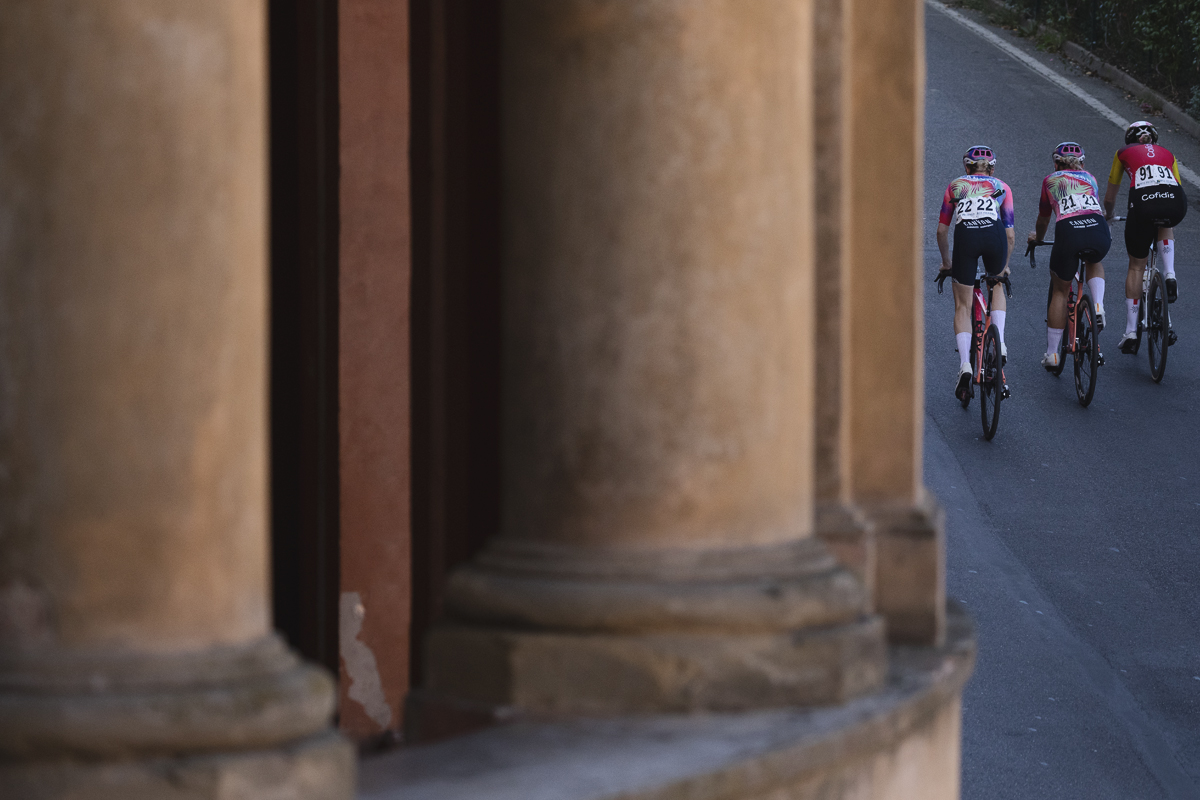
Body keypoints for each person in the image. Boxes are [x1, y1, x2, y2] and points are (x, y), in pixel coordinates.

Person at [936, 145, 1015, 400]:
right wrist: (1004, 266)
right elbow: (1010, 235)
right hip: (994, 237)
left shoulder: (955, 186)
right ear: (992, 168)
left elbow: (941, 231)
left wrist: (947, 262)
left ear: (966, 167)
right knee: (997, 284)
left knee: (963, 305)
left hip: (966, 239)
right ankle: (1000, 342)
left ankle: (965, 365)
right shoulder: (1002, 186)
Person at [1103, 120, 1187, 354]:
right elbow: (1176, 186)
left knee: (1136, 266)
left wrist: (1109, 215)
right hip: (1175, 202)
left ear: (1129, 139)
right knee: (1165, 220)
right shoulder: (1168, 154)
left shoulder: (1123, 152)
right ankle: (1169, 273)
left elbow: (1110, 197)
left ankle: (1131, 331)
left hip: (1143, 205)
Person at [1028, 142, 1110, 369]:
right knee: (1094, 259)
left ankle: (1053, 354)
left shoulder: (1050, 181)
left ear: (1056, 164)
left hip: (1069, 231)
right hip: (1098, 228)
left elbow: (1044, 218)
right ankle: (1098, 306)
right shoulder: (1090, 177)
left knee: (1060, 290)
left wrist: (1038, 238)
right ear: (1082, 162)